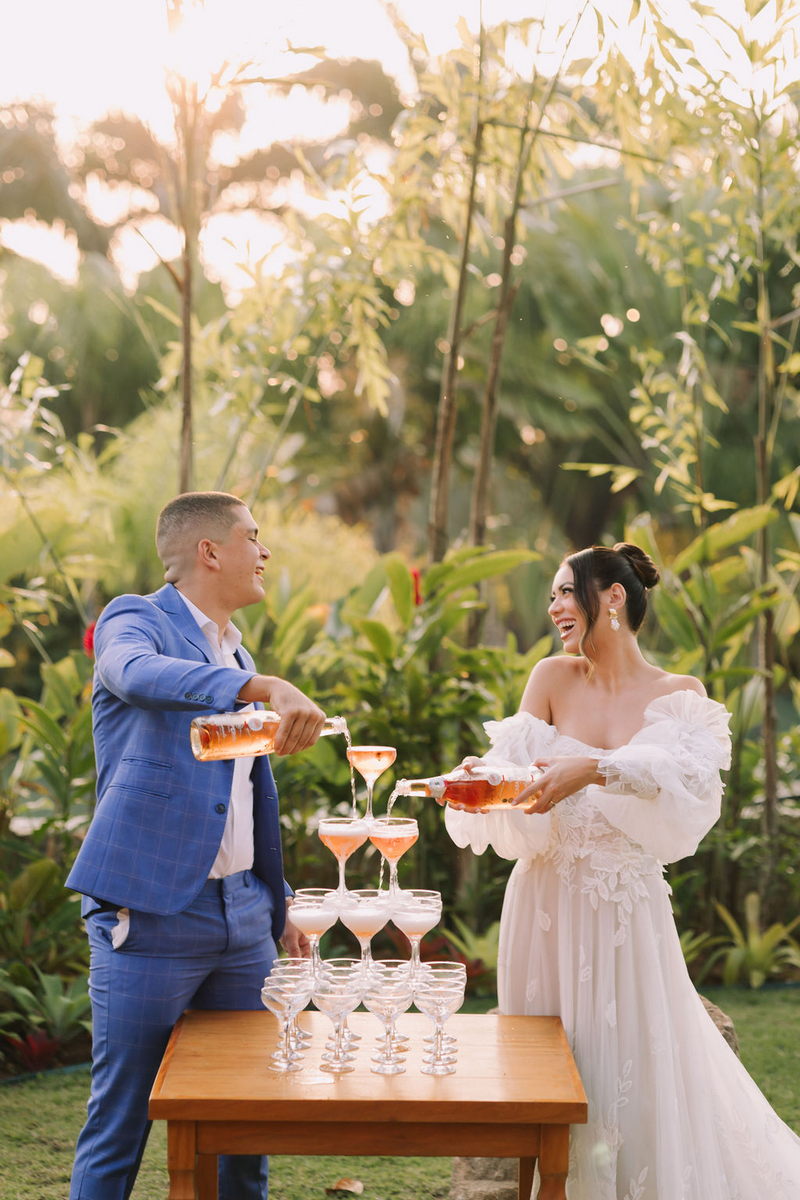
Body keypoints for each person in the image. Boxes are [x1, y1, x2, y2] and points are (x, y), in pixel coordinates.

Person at [445, 542, 800, 1199]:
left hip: (626, 913)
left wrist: (596, 767)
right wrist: (483, 780)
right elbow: (519, 780)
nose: (554, 606)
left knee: (632, 1070)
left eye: (564, 591)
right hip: (544, 907)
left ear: (611, 596)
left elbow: (688, 787)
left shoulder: (680, 697)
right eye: (552, 595)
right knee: (543, 1075)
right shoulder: (551, 678)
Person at [66, 491, 323, 1200]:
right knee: (120, 1123)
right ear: (209, 551)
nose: (264, 551)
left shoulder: (236, 648)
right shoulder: (136, 619)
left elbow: (240, 797)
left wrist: (278, 900)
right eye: (253, 536)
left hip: (245, 922)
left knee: (244, 1124)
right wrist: (259, 685)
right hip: (150, 915)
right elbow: (133, 674)